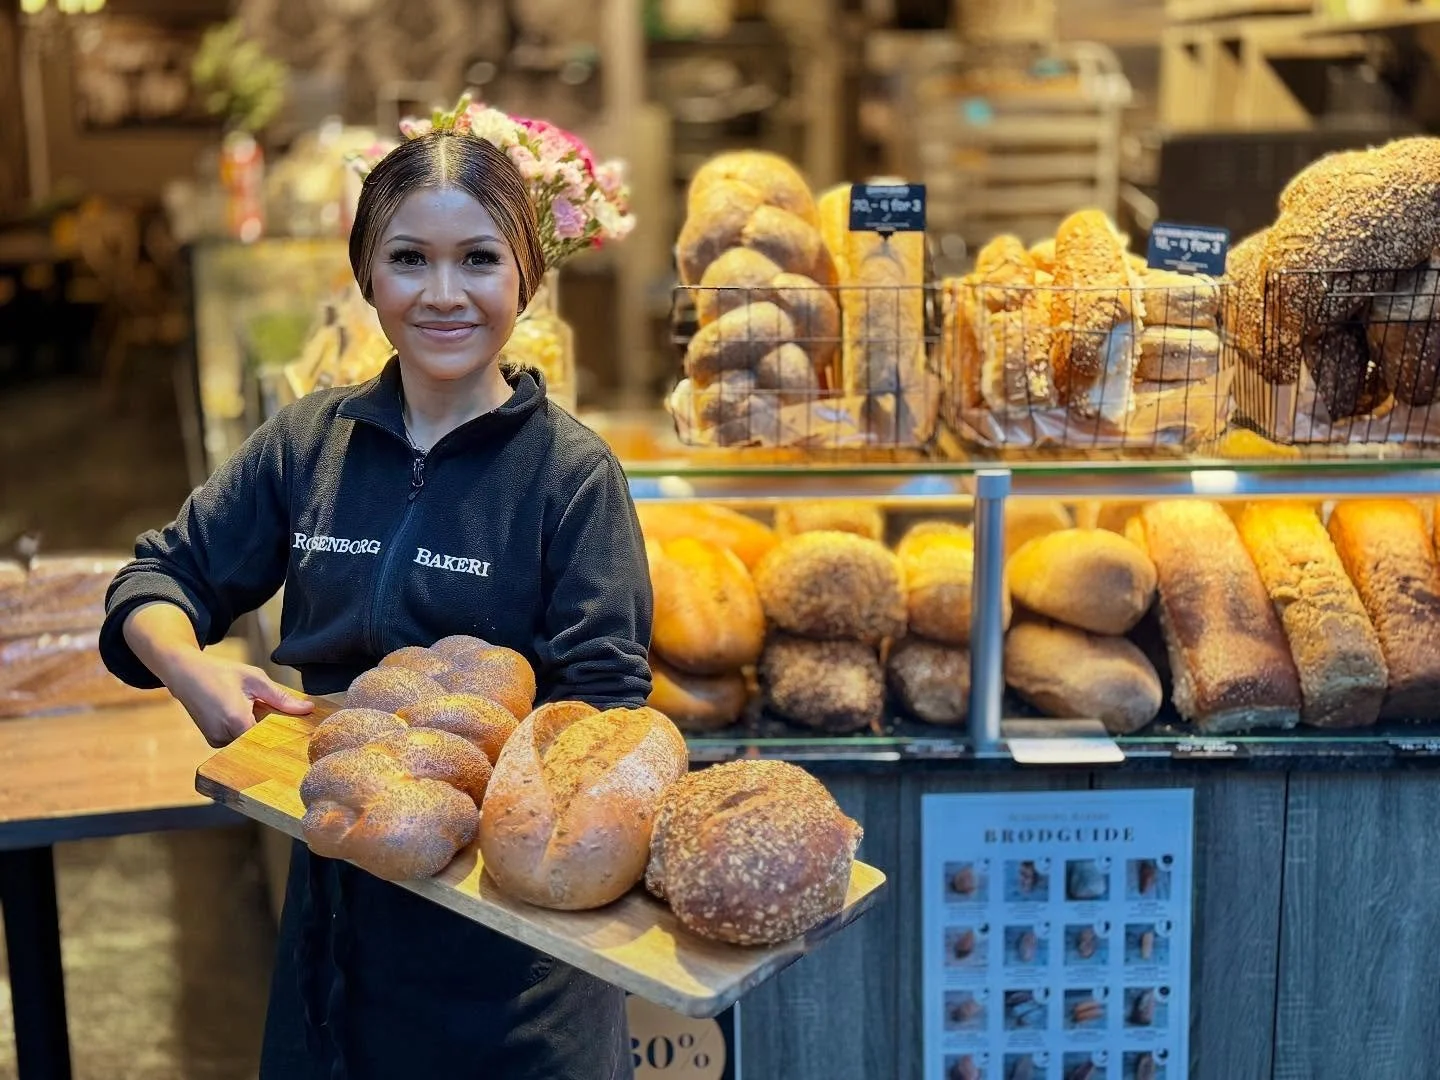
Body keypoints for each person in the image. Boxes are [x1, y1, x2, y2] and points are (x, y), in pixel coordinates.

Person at [99, 130, 651, 1080]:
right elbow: (155, 583)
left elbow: (605, 715)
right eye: (409, 259)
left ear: (529, 276)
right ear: (365, 275)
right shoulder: (308, 443)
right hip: (336, 930)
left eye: (479, 259)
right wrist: (194, 672)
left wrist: (477, 819)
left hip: (511, 969)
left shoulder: (572, 476)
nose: (444, 294)